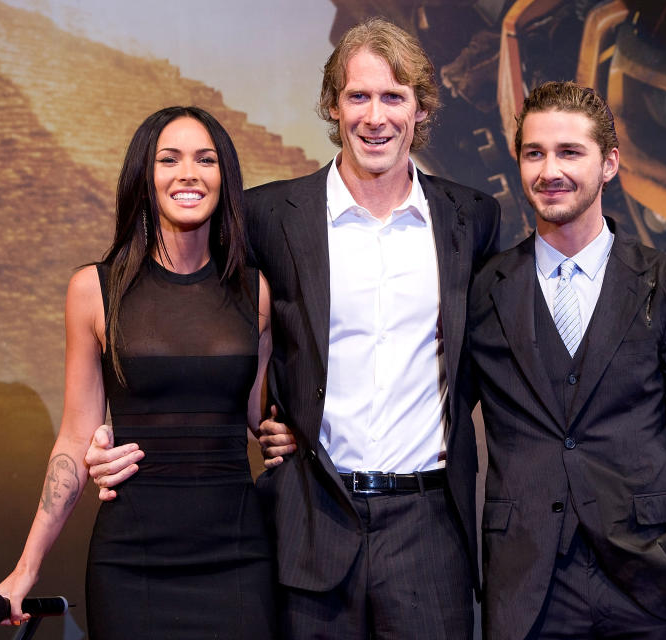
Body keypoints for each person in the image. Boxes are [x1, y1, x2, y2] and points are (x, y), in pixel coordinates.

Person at [87, 17, 500, 639]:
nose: (375, 116)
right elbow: (187, 313)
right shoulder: (268, 215)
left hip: (428, 532)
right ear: (334, 106)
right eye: (358, 96)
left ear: (421, 107)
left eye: (394, 97)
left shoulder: (471, 219)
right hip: (310, 524)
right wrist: (113, 428)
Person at [0, 106, 275, 640]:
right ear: (145, 176)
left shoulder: (254, 291)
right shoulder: (94, 290)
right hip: (132, 564)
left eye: (205, 159)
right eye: (170, 159)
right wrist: (25, 569)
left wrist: (286, 429)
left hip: (239, 559)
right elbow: (75, 435)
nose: (188, 172)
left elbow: (262, 417)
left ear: (224, 178)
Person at [468, 81, 666, 639]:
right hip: (526, 583)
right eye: (534, 153)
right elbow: (431, 404)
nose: (549, 171)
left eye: (569, 152)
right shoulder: (483, 289)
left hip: (649, 582)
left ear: (609, 163)